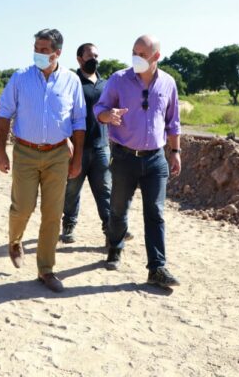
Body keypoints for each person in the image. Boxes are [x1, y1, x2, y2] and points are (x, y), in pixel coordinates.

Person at [0, 28, 86, 293]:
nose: (38, 53)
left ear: (57, 53)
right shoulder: (20, 78)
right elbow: (4, 113)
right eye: (36, 48)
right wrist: (0, 151)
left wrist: (77, 159)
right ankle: (15, 241)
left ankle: (46, 269)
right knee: (22, 207)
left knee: (53, 213)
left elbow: (79, 122)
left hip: (59, 154)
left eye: (44, 50)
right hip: (25, 151)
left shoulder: (71, 81)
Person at [94, 35, 182, 289]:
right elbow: (99, 109)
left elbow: (173, 121)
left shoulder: (168, 83)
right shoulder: (118, 80)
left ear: (156, 57)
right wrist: (107, 115)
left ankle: (157, 267)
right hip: (123, 156)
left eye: (142, 54)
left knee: (155, 212)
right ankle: (115, 247)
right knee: (119, 208)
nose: (136, 58)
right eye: (133, 52)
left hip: (156, 158)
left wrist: (175, 150)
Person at [60, 43, 114, 244]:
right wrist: (65, 140)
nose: (94, 59)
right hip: (78, 147)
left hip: (101, 146)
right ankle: (69, 224)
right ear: (79, 59)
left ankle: (110, 229)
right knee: (72, 189)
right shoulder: (71, 82)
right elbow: (62, 113)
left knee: (105, 190)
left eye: (97, 55)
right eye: (90, 56)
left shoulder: (105, 84)